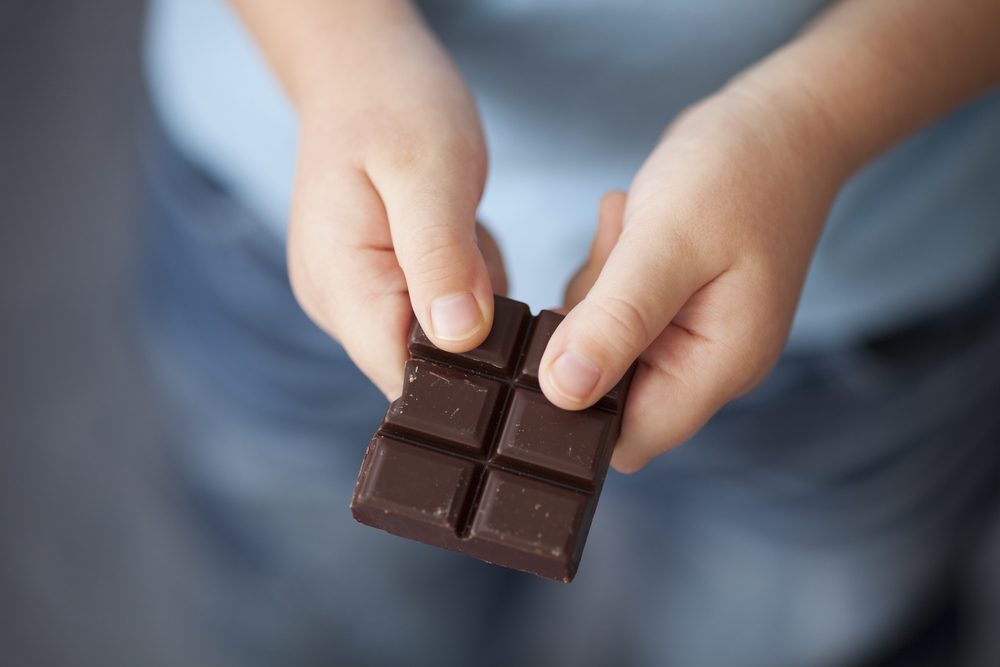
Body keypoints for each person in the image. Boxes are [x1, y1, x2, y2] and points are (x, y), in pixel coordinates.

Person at [139, 0, 1000, 665]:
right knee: (327, 608)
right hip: (300, 197)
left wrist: (813, 122)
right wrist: (335, 54)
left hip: (869, 292)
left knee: (792, 632)